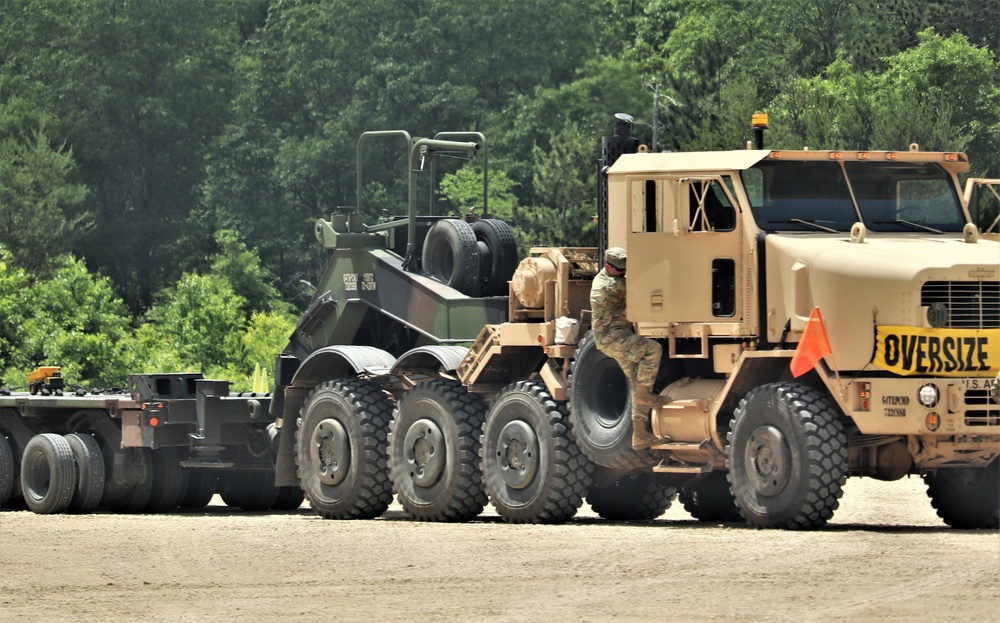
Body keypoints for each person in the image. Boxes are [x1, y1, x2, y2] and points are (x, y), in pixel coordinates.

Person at [589, 247, 664, 449]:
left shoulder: (614, 278)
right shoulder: (608, 285)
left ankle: (640, 435)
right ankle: (643, 398)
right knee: (652, 350)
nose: (624, 272)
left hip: (619, 334)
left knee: (638, 381)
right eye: (621, 269)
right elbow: (639, 289)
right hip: (611, 337)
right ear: (607, 266)